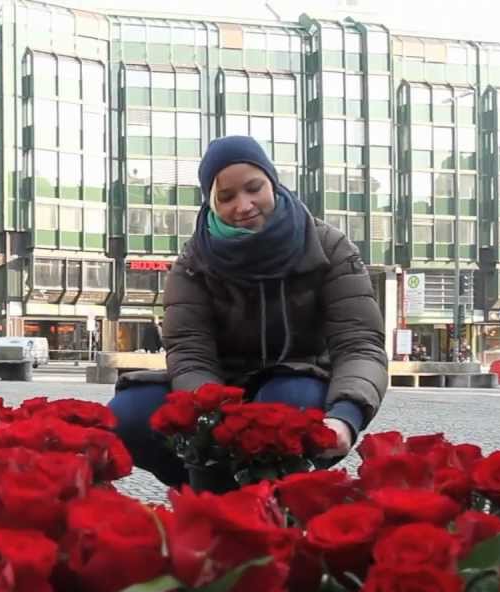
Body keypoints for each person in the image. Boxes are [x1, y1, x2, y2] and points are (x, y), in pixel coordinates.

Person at [108, 136, 388, 487]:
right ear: (211, 202)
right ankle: (209, 489)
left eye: (254, 188)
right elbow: (190, 354)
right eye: (226, 197)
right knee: (131, 412)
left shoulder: (329, 247)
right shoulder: (193, 263)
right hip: (220, 391)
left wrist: (345, 416)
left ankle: (281, 492)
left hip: (298, 386)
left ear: (273, 182)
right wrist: (214, 425)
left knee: (289, 401)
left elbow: (360, 342)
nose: (244, 205)